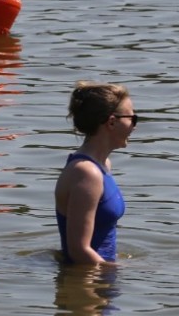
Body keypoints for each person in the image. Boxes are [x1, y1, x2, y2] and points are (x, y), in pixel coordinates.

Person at [55, 81, 137, 265]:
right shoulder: (86, 173)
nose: (134, 126)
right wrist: (120, 274)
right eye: (132, 119)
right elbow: (79, 250)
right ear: (112, 122)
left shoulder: (103, 165)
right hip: (87, 284)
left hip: (100, 278)